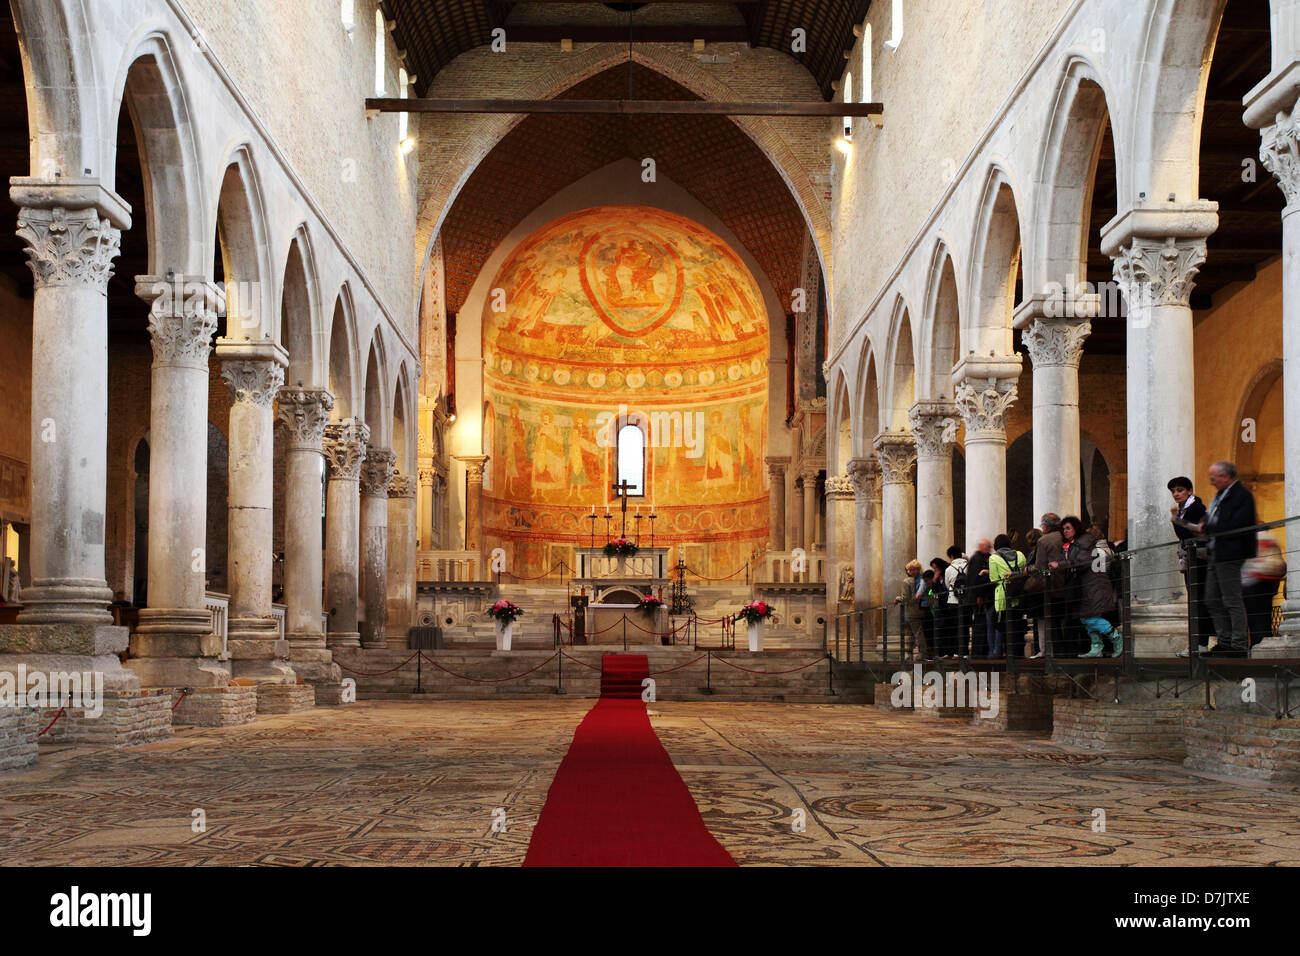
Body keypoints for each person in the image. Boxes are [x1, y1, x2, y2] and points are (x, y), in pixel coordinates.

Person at [1199, 461, 1257, 657]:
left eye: (1213, 477)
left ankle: (1239, 644)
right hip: (1216, 552)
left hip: (1231, 553)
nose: (1211, 481)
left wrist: (1208, 527)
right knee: (1211, 598)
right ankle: (1224, 642)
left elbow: (1235, 524)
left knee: (1231, 599)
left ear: (1226, 476)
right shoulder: (1220, 496)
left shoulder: (1242, 495)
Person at [1057, 516, 1123, 657]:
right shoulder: (1077, 544)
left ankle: (1117, 638)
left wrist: (1060, 564)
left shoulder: (1085, 543)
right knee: (1086, 616)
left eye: (1068, 528)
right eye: (1063, 529)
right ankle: (1096, 647)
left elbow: (1082, 561)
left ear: (1076, 528)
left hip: (1093, 586)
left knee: (1089, 618)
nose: (1065, 531)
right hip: (1087, 586)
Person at [1167, 475, 1213, 657]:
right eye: (1173, 492)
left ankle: (1201, 644)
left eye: (1179, 490)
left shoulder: (1195, 508)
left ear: (1189, 491)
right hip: (1192, 558)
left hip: (1199, 559)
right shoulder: (1184, 509)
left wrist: (1175, 519)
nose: (1176, 494)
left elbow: (1189, 532)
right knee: (1196, 601)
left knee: (1199, 601)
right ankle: (1198, 643)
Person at [1029, 513, 1068, 657]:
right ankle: (1069, 650)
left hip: (1053, 584)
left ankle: (1057, 653)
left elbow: (1039, 567)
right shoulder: (1066, 536)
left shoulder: (1044, 541)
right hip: (1070, 583)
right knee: (1067, 619)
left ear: (1046, 526)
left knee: (1053, 620)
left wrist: (1027, 570)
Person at [988, 534, 1027, 658]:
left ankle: (1009, 655)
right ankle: (1018, 654)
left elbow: (994, 579)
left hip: (1003, 596)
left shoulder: (994, 558)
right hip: (1019, 595)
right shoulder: (1020, 555)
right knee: (1017, 625)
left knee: (1004, 626)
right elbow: (1024, 572)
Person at [1243, 534, 1285, 648]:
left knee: (1257, 622)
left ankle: (1259, 648)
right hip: (1264, 583)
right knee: (1261, 621)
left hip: (1256, 582)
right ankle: (1261, 647)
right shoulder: (1267, 536)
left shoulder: (1258, 536)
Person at [893, 559, 929, 662]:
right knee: (921, 632)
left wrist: (897, 599)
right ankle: (917, 653)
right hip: (924, 609)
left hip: (913, 611)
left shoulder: (907, 581)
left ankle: (921, 654)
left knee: (917, 633)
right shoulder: (923, 580)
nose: (909, 571)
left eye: (910, 569)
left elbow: (905, 598)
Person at [965, 539, 994, 657]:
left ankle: (982, 651)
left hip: (982, 596)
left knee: (982, 624)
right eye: (988, 547)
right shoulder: (977, 559)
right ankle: (979, 652)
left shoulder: (983, 558)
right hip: (978, 597)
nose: (990, 549)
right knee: (979, 624)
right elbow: (975, 579)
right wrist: (979, 595)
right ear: (981, 547)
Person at [944, 546, 969, 657]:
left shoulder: (949, 569)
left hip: (953, 601)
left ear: (951, 556)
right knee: (965, 626)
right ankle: (965, 652)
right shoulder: (969, 566)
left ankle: (956, 651)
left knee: (954, 627)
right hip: (967, 601)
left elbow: (947, 585)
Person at [929, 558, 953, 657]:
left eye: (936, 568)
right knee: (942, 628)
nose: (935, 570)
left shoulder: (948, 571)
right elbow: (934, 590)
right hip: (942, 604)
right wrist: (935, 577)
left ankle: (950, 651)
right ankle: (943, 652)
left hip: (949, 602)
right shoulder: (937, 576)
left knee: (950, 628)